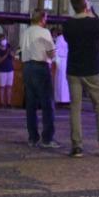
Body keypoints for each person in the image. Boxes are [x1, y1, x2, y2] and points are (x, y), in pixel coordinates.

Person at [62, 0, 99, 158]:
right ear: (85, 5)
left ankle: (77, 147)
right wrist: (92, 16)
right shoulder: (95, 23)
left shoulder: (68, 24)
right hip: (92, 70)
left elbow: (69, 41)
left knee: (75, 108)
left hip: (74, 70)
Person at [21, 9, 58, 149]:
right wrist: (54, 56)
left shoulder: (26, 32)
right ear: (42, 19)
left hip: (27, 68)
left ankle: (32, 137)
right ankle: (47, 138)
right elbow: (51, 52)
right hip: (40, 67)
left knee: (31, 104)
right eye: (46, 18)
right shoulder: (44, 32)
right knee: (47, 104)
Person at [0, 31, 14, 107]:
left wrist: (11, 53)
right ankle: (1, 103)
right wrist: (6, 53)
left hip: (10, 69)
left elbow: (13, 56)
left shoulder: (8, 46)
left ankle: (9, 103)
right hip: (1, 70)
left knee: (9, 87)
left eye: (4, 38)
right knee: (2, 87)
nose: (4, 40)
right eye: (2, 39)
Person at [51, 26, 70, 105]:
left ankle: (64, 99)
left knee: (64, 82)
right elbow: (58, 51)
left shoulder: (64, 38)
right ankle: (63, 99)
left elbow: (58, 51)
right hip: (64, 61)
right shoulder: (63, 38)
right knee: (63, 82)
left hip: (64, 61)